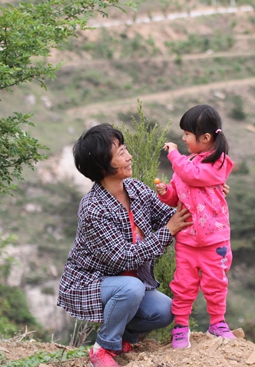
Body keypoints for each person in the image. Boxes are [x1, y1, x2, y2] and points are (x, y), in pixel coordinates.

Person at [56, 123, 193, 367]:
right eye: (120, 153)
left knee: (165, 310)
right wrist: (168, 230)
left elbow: (168, 216)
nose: (129, 156)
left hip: (128, 286)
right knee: (131, 288)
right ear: (102, 165)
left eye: (125, 149)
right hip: (91, 284)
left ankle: (122, 341)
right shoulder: (93, 209)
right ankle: (103, 348)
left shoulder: (136, 188)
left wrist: (206, 194)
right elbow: (124, 258)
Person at [155, 104, 235, 349]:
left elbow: (193, 176)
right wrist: (165, 192)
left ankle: (218, 323)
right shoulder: (186, 163)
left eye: (187, 134)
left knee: (215, 282)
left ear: (206, 138)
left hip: (214, 241)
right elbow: (177, 194)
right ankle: (180, 327)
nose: (183, 138)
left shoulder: (218, 162)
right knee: (184, 284)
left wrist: (174, 155)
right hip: (188, 239)